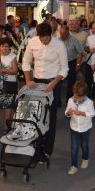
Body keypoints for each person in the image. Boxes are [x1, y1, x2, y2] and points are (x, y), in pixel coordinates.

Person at [22, 22, 69, 157]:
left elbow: (64, 68)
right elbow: (26, 62)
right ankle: (35, 148)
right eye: (41, 39)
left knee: (50, 118)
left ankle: (47, 151)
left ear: (51, 34)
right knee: (35, 116)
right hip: (36, 83)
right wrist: (28, 80)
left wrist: (54, 83)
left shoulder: (59, 45)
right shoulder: (33, 42)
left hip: (53, 83)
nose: (44, 42)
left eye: (46, 39)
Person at [65, 81, 95, 175]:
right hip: (74, 127)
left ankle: (85, 159)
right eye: (75, 95)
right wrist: (68, 113)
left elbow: (92, 114)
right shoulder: (71, 100)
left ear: (84, 95)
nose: (77, 98)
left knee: (84, 145)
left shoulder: (89, 102)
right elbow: (66, 111)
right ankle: (74, 166)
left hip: (86, 128)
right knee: (74, 147)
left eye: (79, 96)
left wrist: (82, 113)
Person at [0, 37, 18, 133]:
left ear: (10, 47)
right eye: (2, 46)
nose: (4, 48)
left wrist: (3, 70)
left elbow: (15, 71)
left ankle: (6, 127)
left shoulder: (13, 56)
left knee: (8, 106)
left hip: (9, 84)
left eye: (6, 46)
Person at [60, 24, 84, 103]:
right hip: (60, 64)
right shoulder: (58, 40)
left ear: (68, 32)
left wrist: (78, 64)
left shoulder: (74, 40)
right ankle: (57, 101)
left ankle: (69, 100)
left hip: (71, 63)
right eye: (61, 34)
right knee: (58, 82)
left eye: (64, 34)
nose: (62, 36)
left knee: (71, 82)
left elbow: (80, 53)